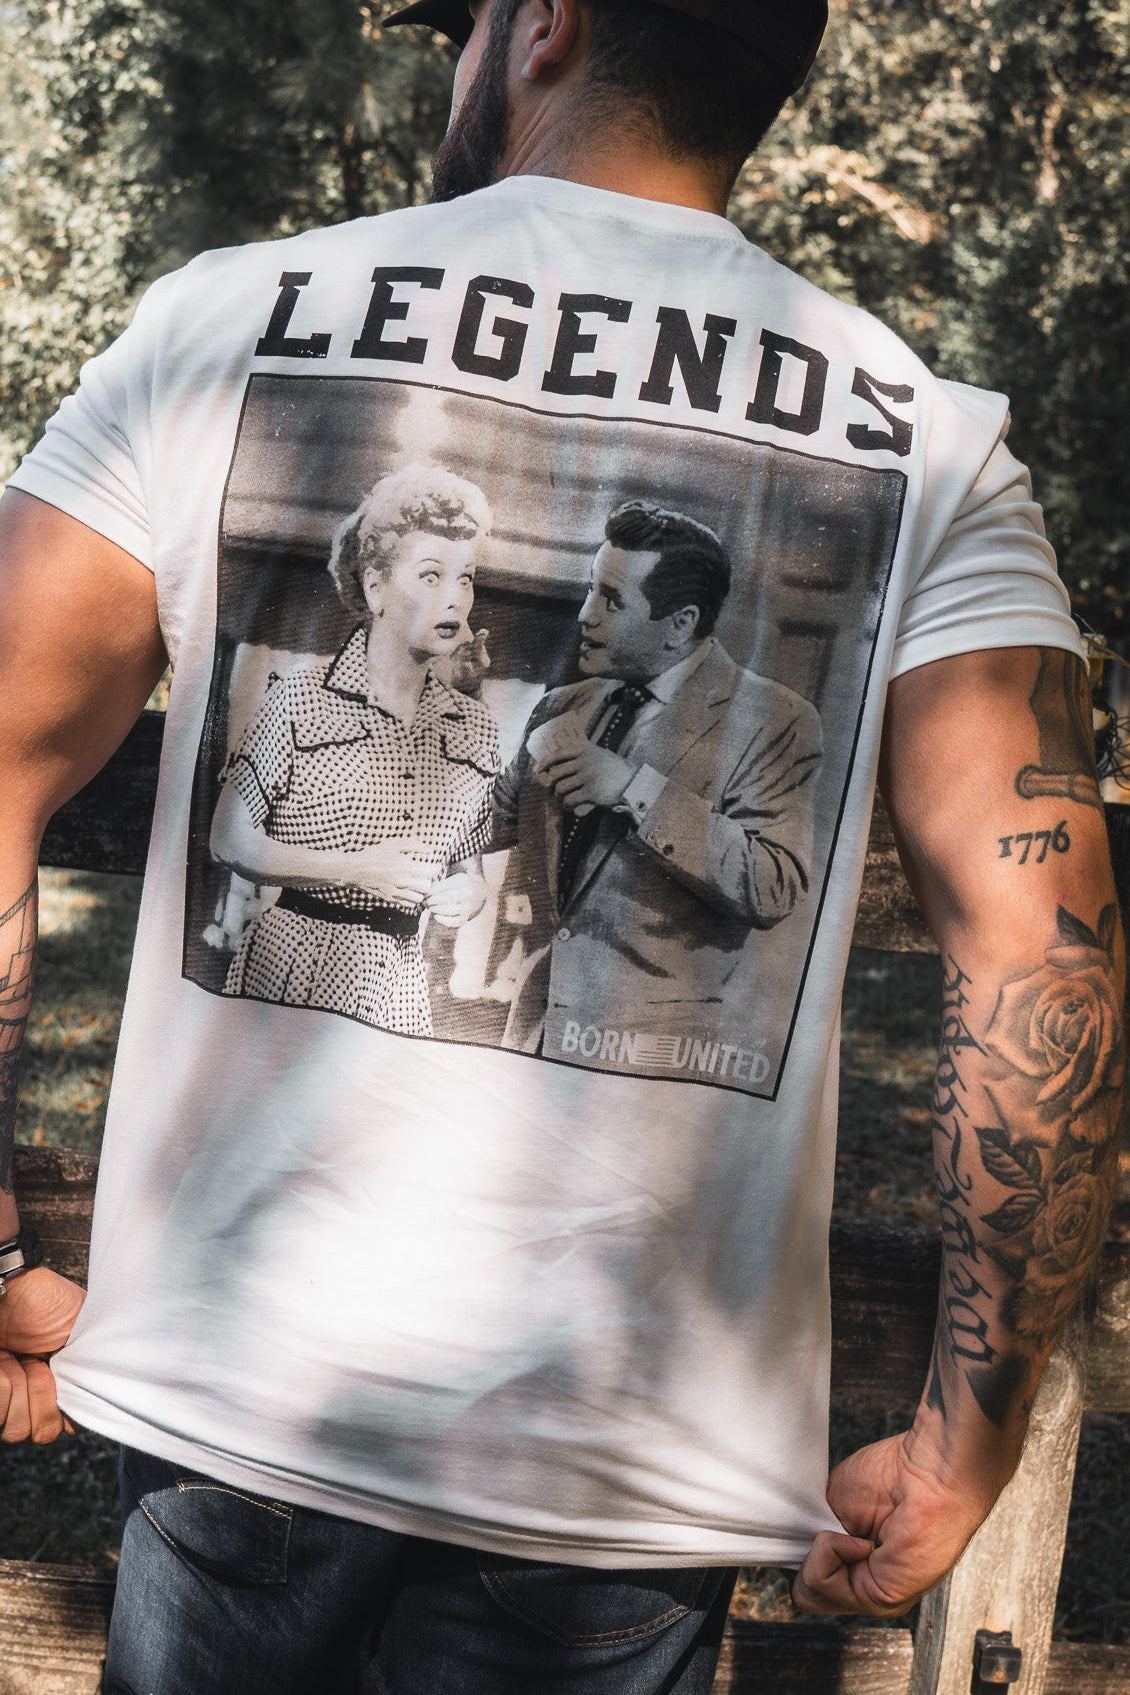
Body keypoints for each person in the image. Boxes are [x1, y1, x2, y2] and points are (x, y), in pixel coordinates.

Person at [0, 4, 1122, 1694]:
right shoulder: (929, 436)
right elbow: (1044, 951)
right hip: (616, 1477)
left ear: (547, 27)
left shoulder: (228, 322)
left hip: (267, 1416)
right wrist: (969, 1430)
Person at [492, 498, 823, 1059]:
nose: (585, 615)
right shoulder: (560, 706)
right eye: (593, 589)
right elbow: (483, 827)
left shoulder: (775, 719)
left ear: (680, 626)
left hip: (653, 1057)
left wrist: (631, 788)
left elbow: (773, 885)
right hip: (530, 1033)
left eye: (612, 600)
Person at [211, 463, 499, 1037]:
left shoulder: (475, 728)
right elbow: (228, 838)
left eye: (464, 579)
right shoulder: (299, 696)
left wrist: (470, 893)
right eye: (431, 576)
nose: (454, 599)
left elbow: (471, 867)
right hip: (291, 963)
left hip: (397, 984)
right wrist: (356, 871)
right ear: (375, 588)